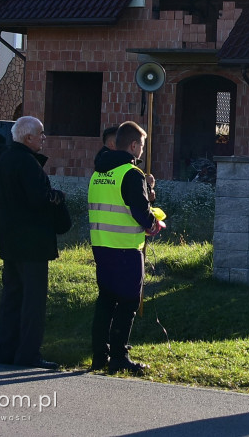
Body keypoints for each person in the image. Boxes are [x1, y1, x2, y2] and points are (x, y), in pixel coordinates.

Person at [0, 116, 71, 370]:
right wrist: (57, 197)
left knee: (12, 297)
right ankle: (28, 354)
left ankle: (5, 350)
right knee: (33, 302)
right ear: (28, 138)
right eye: (40, 134)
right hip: (33, 242)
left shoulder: (4, 159)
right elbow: (39, 200)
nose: (43, 138)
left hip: (10, 240)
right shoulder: (27, 163)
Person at [88, 121, 164, 375]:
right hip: (126, 248)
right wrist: (155, 225)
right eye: (141, 145)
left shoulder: (99, 173)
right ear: (133, 145)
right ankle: (119, 357)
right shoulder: (131, 174)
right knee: (129, 302)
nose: (142, 151)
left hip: (102, 246)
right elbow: (140, 211)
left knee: (106, 301)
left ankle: (100, 355)